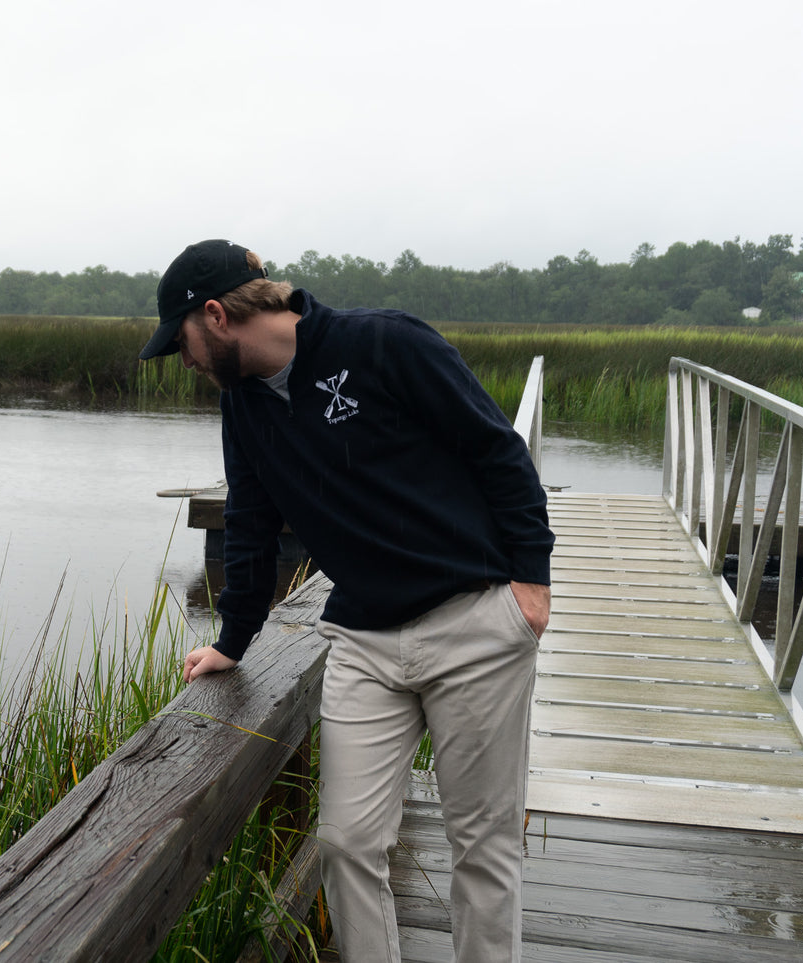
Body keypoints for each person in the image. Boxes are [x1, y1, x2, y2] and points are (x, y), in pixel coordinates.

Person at [138, 239, 553, 963]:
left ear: (215, 314)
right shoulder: (244, 407)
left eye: (183, 343)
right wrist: (232, 639)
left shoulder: (383, 343)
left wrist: (530, 585)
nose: (186, 361)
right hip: (363, 638)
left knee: (481, 847)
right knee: (345, 840)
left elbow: (497, 452)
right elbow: (251, 523)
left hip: (474, 624)